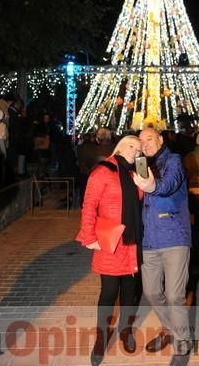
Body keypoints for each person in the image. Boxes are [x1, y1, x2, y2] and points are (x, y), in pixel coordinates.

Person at [76, 135, 143, 366]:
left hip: (133, 241)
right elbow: (89, 205)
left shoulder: (137, 173)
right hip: (111, 241)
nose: (136, 151)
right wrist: (89, 237)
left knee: (130, 290)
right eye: (132, 146)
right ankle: (101, 337)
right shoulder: (103, 171)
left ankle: (125, 330)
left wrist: (145, 176)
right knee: (109, 292)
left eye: (139, 148)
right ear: (121, 146)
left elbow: (146, 198)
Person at [133, 127, 192, 366]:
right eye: (141, 140)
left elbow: (169, 184)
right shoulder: (139, 164)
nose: (145, 144)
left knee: (174, 295)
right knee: (151, 292)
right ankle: (169, 328)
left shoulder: (173, 160)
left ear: (160, 139)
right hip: (149, 240)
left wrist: (151, 186)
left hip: (174, 236)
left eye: (149, 139)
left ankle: (182, 342)